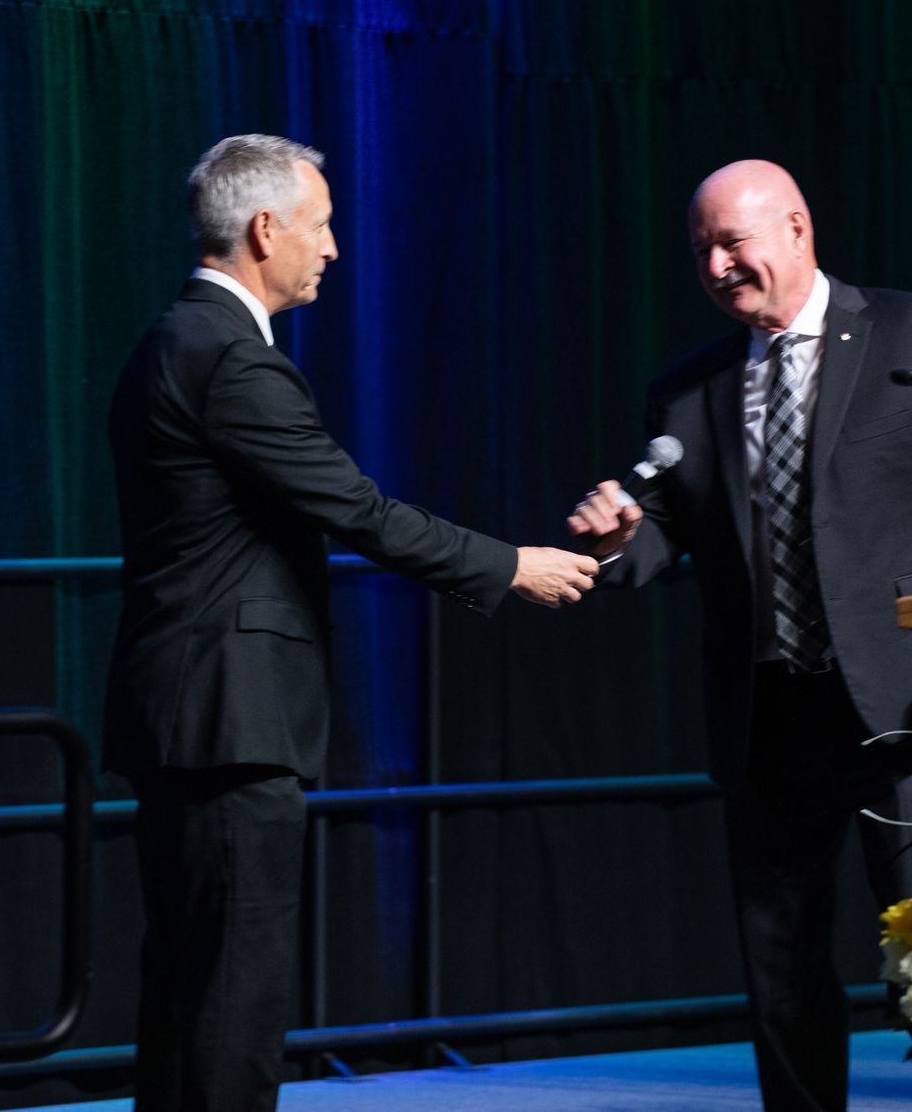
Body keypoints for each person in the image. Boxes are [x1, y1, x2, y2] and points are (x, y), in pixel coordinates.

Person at [105, 134, 598, 1111]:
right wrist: (507, 567)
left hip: (186, 718)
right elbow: (357, 508)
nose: (333, 248)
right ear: (264, 229)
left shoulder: (174, 339)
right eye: (322, 225)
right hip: (230, 726)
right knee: (231, 1003)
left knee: (189, 991)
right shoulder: (230, 357)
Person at [567, 159, 912, 1112]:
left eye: (734, 241)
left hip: (901, 706)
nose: (719, 265)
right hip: (770, 716)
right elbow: (671, 538)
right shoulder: (688, 390)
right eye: (702, 252)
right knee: (782, 977)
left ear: (798, 229)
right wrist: (618, 545)